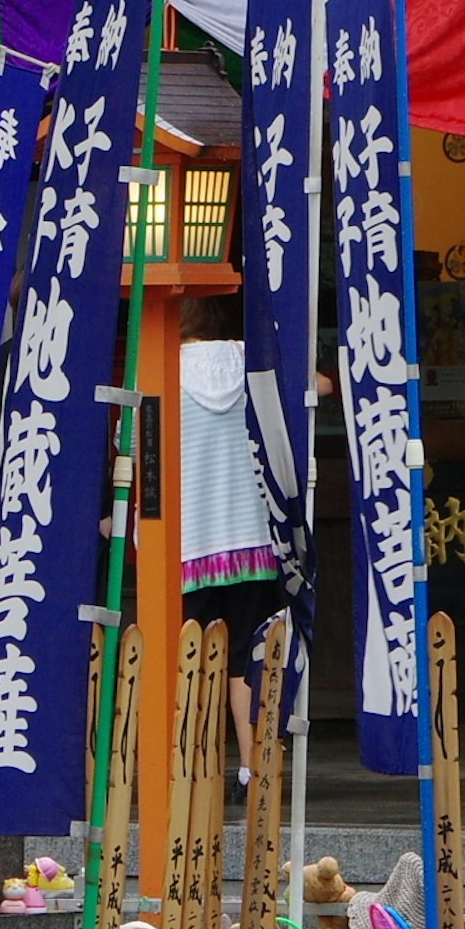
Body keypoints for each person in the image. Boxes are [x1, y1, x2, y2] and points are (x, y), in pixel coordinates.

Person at [173, 295, 283, 790]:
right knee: (248, 656)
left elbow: (131, 449)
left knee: (187, 654)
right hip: (253, 536)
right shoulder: (250, 361)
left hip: (188, 540)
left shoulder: (159, 367)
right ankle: (253, 765)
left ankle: (189, 760)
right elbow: (318, 386)